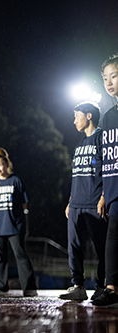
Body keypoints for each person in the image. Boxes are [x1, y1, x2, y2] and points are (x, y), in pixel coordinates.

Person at [58, 103, 107, 301]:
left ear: (89, 115)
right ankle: (78, 285)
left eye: (77, 116)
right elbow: (76, 175)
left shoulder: (102, 138)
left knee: (101, 247)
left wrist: (104, 197)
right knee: (74, 246)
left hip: (95, 202)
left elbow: (109, 171)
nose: (74, 121)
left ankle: (102, 286)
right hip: (77, 203)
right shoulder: (79, 145)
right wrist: (71, 200)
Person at [0, 148, 38, 297]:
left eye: (1, 165)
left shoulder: (16, 180)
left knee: (20, 255)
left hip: (14, 226)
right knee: (0, 258)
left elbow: (24, 203)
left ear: (7, 164)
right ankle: (2, 287)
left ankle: (29, 288)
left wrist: (17, 218)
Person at [93, 54, 118, 307]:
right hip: (113, 191)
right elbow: (104, 157)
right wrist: (102, 194)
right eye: (105, 78)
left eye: (114, 76)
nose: (108, 82)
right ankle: (111, 288)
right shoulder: (107, 117)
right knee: (113, 235)